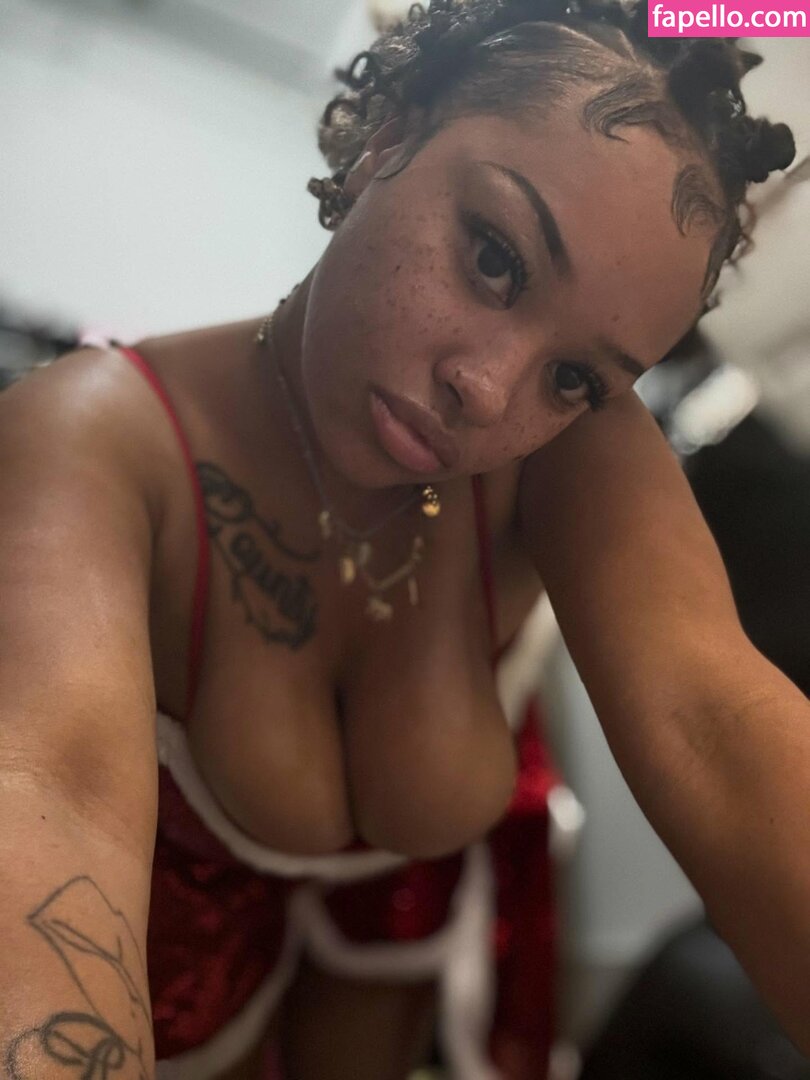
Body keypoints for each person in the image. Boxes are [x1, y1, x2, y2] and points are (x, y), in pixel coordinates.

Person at [1, 1, 807, 1078]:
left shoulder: (570, 454)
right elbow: (41, 797)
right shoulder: (90, 440)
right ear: (391, 135)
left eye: (575, 376)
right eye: (495, 259)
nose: (489, 391)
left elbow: (716, 727)